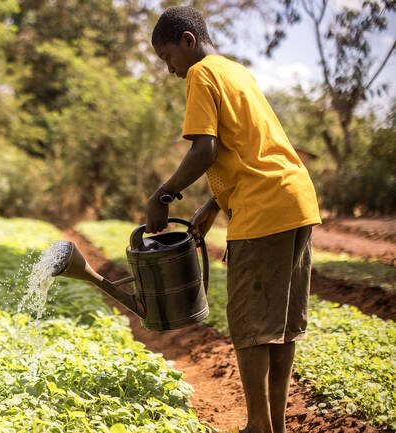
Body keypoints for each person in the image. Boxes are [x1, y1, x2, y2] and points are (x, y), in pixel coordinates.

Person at [145, 7, 321, 433]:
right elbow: (247, 149)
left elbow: (204, 150)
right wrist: (212, 205)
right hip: (296, 200)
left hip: (263, 210)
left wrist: (162, 195)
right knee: (280, 325)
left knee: (249, 325)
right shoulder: (236, 72)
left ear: (188, 41)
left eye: (169, 59)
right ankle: (272, 426)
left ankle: (258, 426)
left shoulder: (201, 74)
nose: (171, 71)